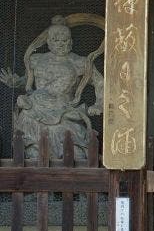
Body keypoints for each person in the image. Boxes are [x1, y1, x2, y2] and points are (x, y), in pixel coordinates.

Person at [0, 15, 104, 159]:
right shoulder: (36, 60)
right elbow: (28, 81)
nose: (60, 44)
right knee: (33, 154)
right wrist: (16, 82)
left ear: (71, 42)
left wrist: (99, 105)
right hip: (34, 110)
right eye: (56, 40)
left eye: (64, 40)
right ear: (48, 41)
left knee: (77, 154)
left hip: (64, 110)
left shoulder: (80, 62)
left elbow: (100, 83)